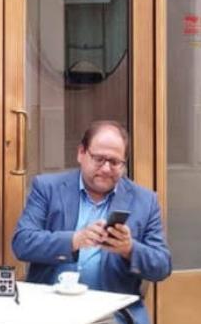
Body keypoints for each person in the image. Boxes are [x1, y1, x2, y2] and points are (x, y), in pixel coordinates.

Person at [12, 120, 171, 324]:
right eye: (98, 159)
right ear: (81, 153)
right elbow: (22, 243)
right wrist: (75, 240)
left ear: (124, 164)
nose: (106, 168)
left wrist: (129, 249)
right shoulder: (47, 188)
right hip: (50, 310)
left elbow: (162, 266)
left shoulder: (144, 201)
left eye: (114, 162)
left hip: (111, 314)